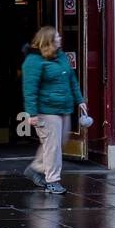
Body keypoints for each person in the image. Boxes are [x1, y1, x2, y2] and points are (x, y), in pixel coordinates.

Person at [22, 25, 88, 195]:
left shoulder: (60, 56)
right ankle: (52, 181)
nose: (60, 39)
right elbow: (30, 89)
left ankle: (35, 168)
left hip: (63, 108)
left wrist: (80, 100)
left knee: (58, 143)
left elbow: (72, 79)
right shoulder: (33, 61)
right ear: (48, 41)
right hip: (46, 110)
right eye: (57, 37)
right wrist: (32, 114)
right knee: (53, 147)